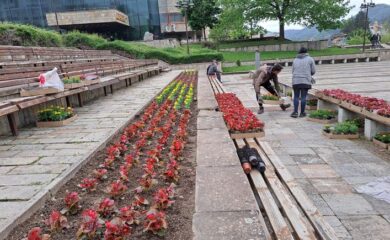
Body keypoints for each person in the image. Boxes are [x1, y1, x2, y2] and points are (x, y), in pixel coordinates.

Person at [291, 47, 316, 118]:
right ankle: (302, 113)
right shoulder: (310, 59)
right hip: (305, 80)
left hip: (296, 80)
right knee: (303, 97)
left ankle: (295, 112)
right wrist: (308, 74)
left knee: (296, 96)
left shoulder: (295, 60)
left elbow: (293, 71)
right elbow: (313, 71)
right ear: (306, 52)